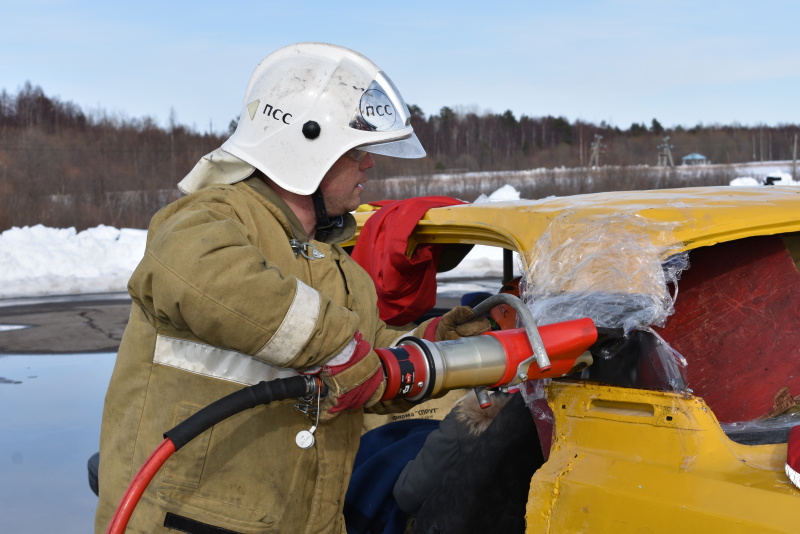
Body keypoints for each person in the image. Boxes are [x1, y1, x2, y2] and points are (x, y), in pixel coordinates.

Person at [94, 42, 488, 534]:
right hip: (188, 522)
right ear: (307, 146)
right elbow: (207, 278)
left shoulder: (337, 266)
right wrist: (341, 349)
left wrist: (443, 344)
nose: (369, 165)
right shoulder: (210, 218)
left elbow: (369, 368)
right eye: (356, 151)